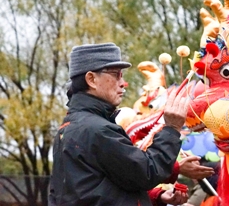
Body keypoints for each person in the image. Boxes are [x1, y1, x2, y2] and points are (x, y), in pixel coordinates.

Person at [49, 43, 189, 206]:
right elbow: (146, 172)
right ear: (91, 79)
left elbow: (97, 190)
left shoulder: (70, 127)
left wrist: (155, 196)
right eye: (116, 75)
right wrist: (171, 129)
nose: (123, 83)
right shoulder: (97, 130)